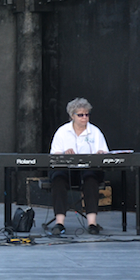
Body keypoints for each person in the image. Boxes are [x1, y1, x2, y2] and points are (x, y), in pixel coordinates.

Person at [49, 97, 108, 235]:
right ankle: (59, 223)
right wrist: (65, 153)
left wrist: (100, 153)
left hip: (87, 170)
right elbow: (54, 155)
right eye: (80, 115)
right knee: (58, 179)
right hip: (67, 170)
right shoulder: (62, 132)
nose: (84, 118)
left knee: (91, 179)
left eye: (87, 114)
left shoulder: (95, 132)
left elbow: (104, 153)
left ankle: (92, 223)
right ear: (72, 116)